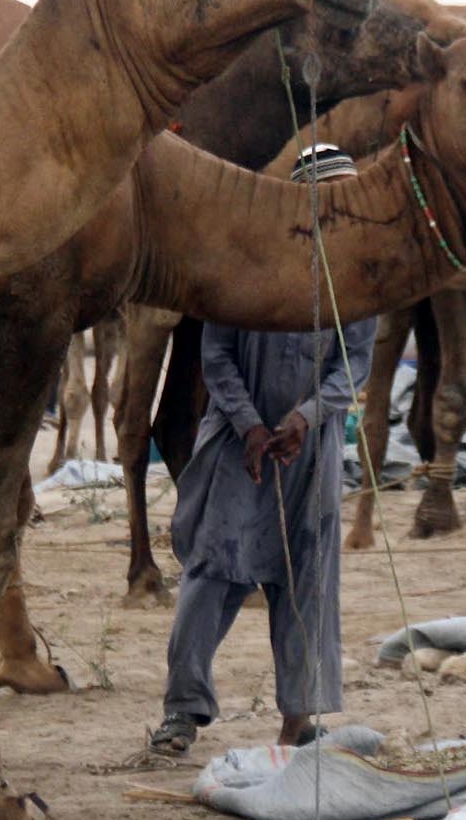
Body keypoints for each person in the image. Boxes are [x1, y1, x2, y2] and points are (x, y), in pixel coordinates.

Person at [149, 143, 378, 755]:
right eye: (327, 198)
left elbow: (355, 363)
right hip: (237, 446)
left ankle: (298, 719)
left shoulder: (357, 276)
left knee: (308, 578)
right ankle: (182, 712)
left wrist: (307, 417)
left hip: (312, 449)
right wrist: (251, 426)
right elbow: (216, 355)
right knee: (211, 572)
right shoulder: (245, 262)